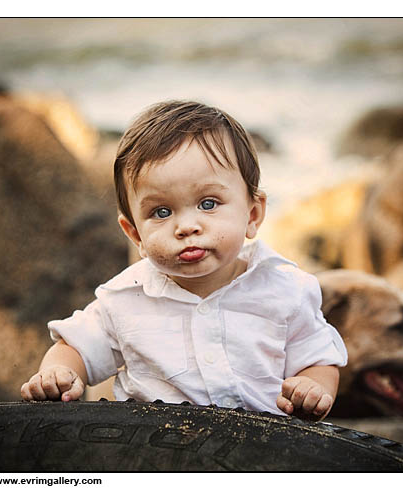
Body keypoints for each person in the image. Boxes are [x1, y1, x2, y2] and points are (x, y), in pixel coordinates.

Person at [21, 100, 347, 418]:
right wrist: (60, 373)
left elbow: (317, 358)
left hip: (259, 454)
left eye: (208, 203)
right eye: (161, 212)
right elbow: (75, 347)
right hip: (154, 453)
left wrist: (312, 388)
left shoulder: (285, 289)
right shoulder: (124, 299)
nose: (187, 226)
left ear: (253, 213)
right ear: (135, 234)